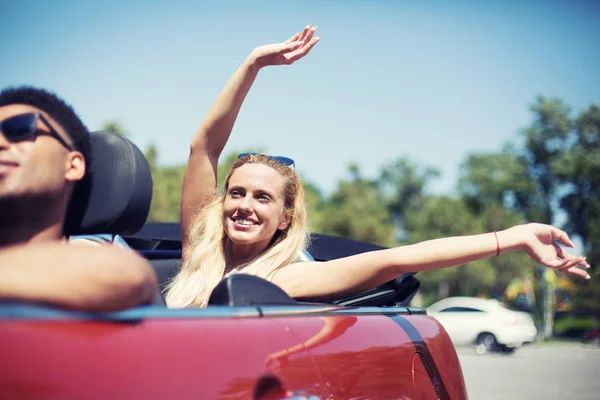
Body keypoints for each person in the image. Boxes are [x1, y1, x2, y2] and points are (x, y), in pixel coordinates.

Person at [165, 25, 591, 308]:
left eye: (263, 198)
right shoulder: (197, 249)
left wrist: (511, 237)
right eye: (236, 192)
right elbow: (204, 147)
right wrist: (254, 63)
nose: (244, 205)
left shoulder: (288, 279)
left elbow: (401, 258)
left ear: (284, 217)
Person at [0, 86, 158, 311]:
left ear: (73, 165)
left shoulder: (112, 265)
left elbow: (128, 276)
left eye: (19, 128)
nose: (1, 142)